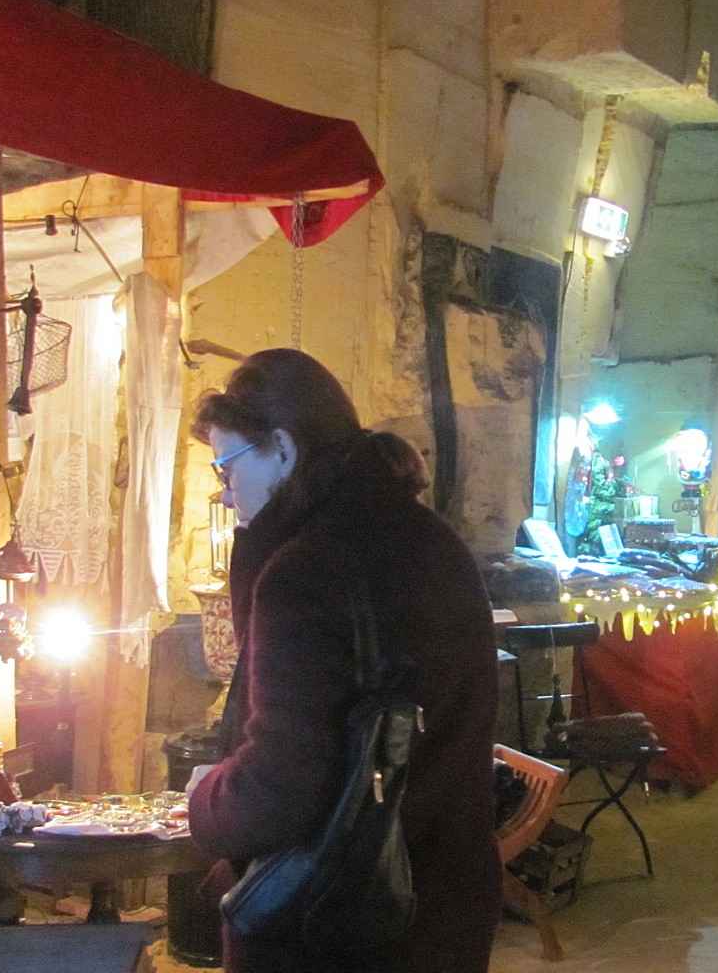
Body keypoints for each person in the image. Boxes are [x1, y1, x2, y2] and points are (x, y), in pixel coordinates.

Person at [185, 349, 500, 972]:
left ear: (282, 448)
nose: (225, 492)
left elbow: (281, 789)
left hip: (340, 921)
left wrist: (205, 800)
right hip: (445, 898)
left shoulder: (305, 571)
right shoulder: (433, 540)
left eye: (227, 467)